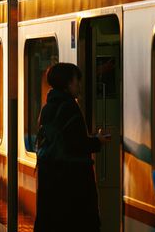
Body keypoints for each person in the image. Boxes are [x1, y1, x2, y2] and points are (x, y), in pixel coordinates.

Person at [34, 63, 110, 232]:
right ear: (68, 84)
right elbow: (77, 144)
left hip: (51, 179)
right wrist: (98, 141)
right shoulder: (70, 107)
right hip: (72, 183)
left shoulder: (48, 108)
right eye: (77, 81)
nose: (79, 85)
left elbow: (63, 141)